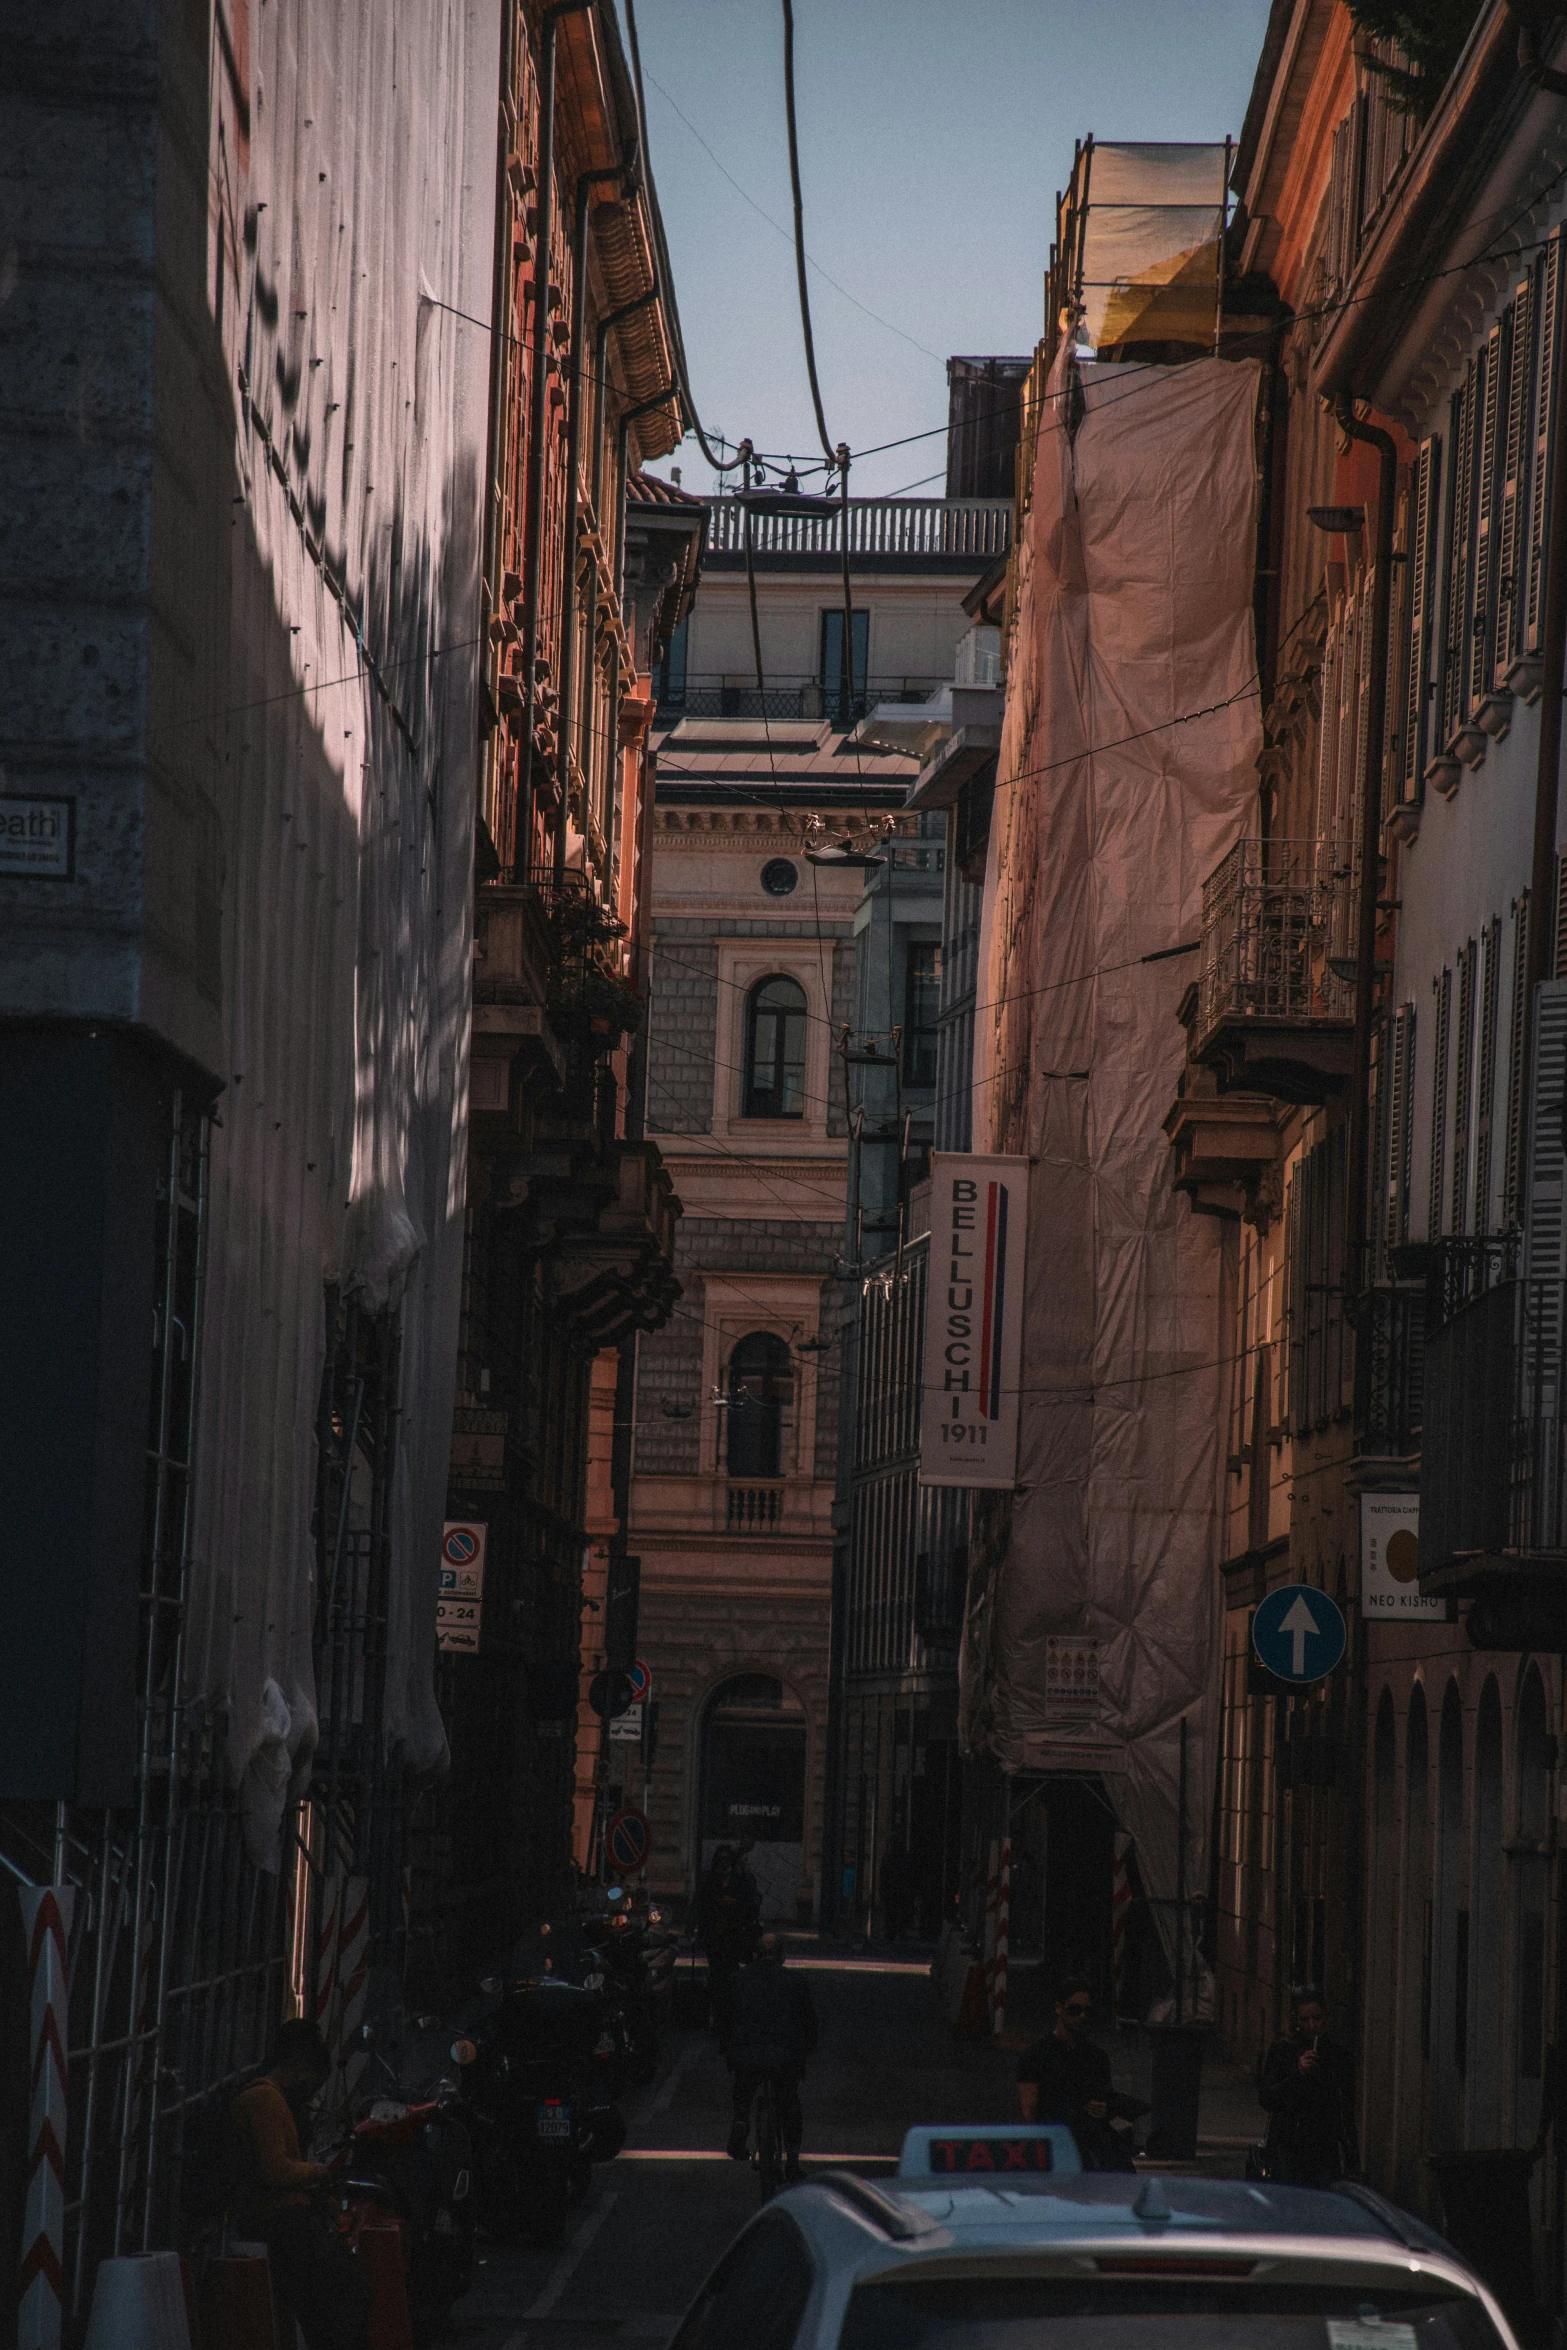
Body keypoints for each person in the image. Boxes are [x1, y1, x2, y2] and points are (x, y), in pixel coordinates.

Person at [229, 2018, 370, 2350]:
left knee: (337, 2295)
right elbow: (275, 2169)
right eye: (309, 2083)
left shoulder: (272, 2099)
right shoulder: (266, 2100)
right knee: (347, 2292)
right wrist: (317, 2173)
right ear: (298, 2070)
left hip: (285, 2218)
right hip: (278, 2221)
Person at [725, 1931, 818, 2182]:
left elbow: (725, 2021)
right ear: (782, 1957)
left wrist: (729, 2054)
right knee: (790, 2103)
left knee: (743, 2091)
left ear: (755, 1956)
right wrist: (807, 2050)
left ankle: (741, 2119)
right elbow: (809, 2022)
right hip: (785, 2056)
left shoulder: (738, 1979)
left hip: (747, 2053)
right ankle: (793, 2161)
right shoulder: (796, 1982)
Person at [1016, 1977, 1134, 2171]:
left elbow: (1106, 2097)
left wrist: (1105, 2108)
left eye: (1087, 2011)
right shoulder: (1036, 2056)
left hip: (1091, 2137)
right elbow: (1029, 2111)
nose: (1081, 2017)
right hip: (1056, 2137)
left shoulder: (1096, 2057)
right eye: (1074, 2010)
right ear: (1059, 2009)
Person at [1259, 1987, 1359, 2187]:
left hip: (1323, 2145)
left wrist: (1351, 2155)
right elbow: (1268, 2097)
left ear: (1326, 2019)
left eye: (1317, 2018)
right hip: (1288, 2144)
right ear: (1297, 2021)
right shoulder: (1283, 2051)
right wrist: (1299, 2074)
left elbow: (1345, 2107)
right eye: (1305, 2020)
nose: (1312, 2025)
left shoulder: (1336, 2055)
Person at [696, 1844, 760, 2039]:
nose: (723, 1864)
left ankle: (730, 2017)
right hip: (715, 1936)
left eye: (727, 1859)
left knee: (731, 1976)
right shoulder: (709, 1880)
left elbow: (753, 1901)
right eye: (720, 1859)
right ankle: (718, 2016)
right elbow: (700, 1903)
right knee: (716, 1977)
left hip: (733, 1935)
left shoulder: (741, 1880)